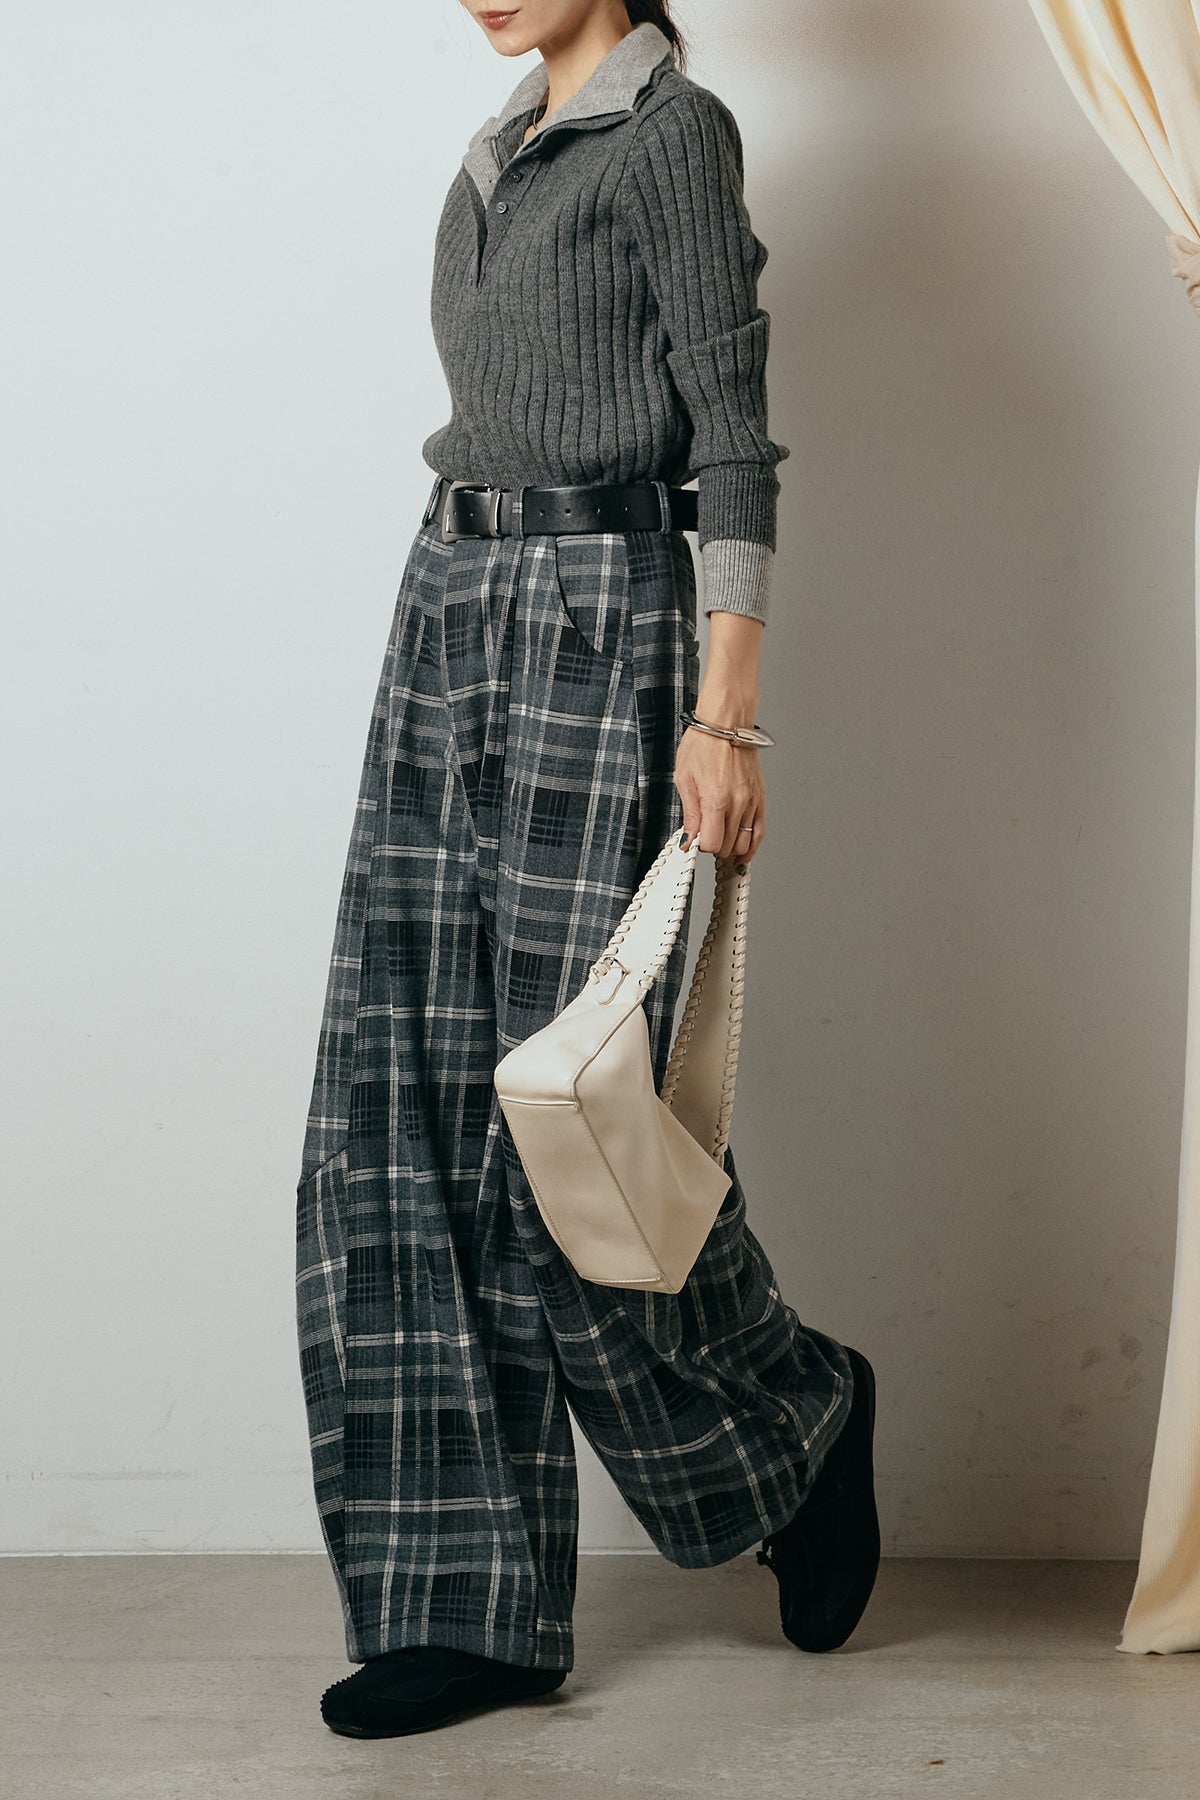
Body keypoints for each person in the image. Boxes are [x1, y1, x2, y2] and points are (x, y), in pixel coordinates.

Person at [295, 0, 880, 1740]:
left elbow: (733, 436)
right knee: (397, 1114)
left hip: (598, 623)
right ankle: (464, 1608)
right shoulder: (497, 153)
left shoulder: (670, 135)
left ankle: (796, 1423)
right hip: (447, 614)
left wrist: (726, 717)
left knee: (573, 1115)